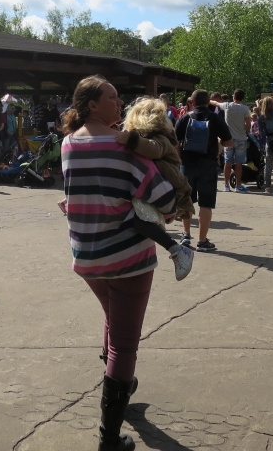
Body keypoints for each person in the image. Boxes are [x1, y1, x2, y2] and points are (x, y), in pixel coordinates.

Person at [60, 77, 177, 451]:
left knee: (114, 321)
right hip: (129, 256)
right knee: (125, 347)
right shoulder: (125, 147)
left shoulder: (68, 143)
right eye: (112, 97)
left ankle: (120, 384)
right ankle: (108, 436)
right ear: (93, 105)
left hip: (87, 255)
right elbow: (166, 200)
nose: (119, 102)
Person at [114, 97, 195, 280]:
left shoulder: (160, 138)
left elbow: (154, 151)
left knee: (139, 220)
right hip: (148, 185)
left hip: (166, 188)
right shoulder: (145, 138)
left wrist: (131, 139)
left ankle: (177, 250)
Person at [175, 89, 233, 253]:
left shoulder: (185, 117)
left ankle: (186, 235)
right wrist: (218, 141)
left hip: (187, 164)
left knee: (187, 201)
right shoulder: (215, 118)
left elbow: (173, 141)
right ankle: (202, 240)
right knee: (206, 204)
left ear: (192, 102)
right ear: (208, 102)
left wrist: (180, 158)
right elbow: (229, 142)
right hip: (208, 165)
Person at [219, 89, 252, 193]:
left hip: (229, 138)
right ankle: (238, 185)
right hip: (241, 138)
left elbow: (216, 103)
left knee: (227, 162)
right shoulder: (245, 109)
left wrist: (208, 100)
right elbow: (248, 124)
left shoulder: (227, 106)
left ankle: (226, 185)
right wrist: (245, 131)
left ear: (234, 96)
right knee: (238, 164)